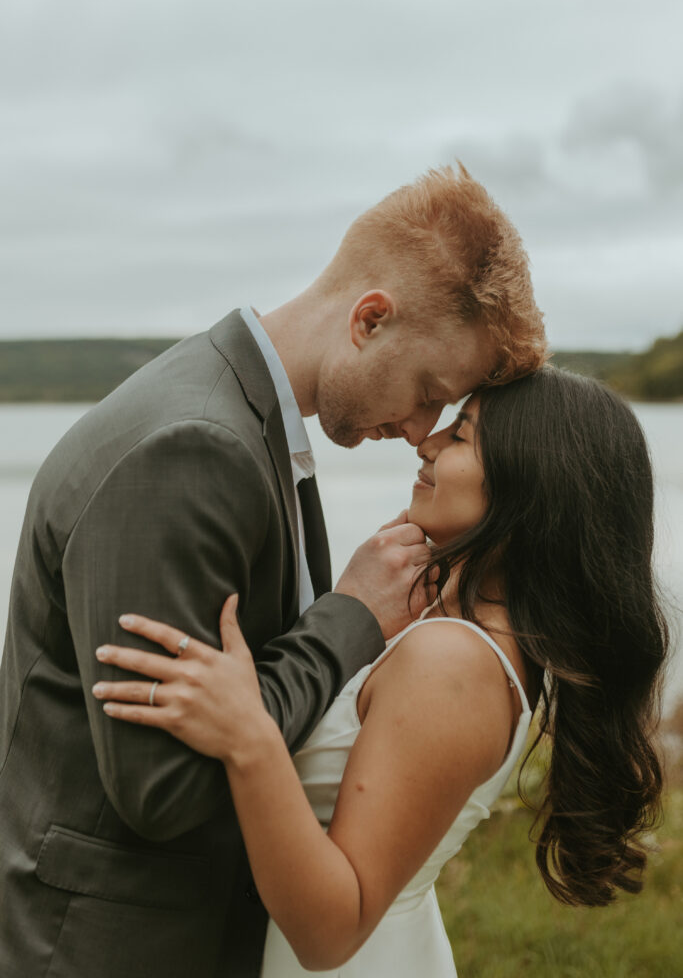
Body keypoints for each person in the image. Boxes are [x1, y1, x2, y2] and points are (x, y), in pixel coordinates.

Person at [0, 165, 546, 978]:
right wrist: (351, 615)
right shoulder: (193, 447)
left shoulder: (249, 424)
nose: (420, 429)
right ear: (369, 320)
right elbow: (163, 789)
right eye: (429, 390)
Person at [95, 367, 668, 977]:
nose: (426, 442)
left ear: (530, 483)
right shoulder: (459, 632)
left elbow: (330, 933)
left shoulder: (453, 662)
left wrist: (249, 735)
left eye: (462, 436)